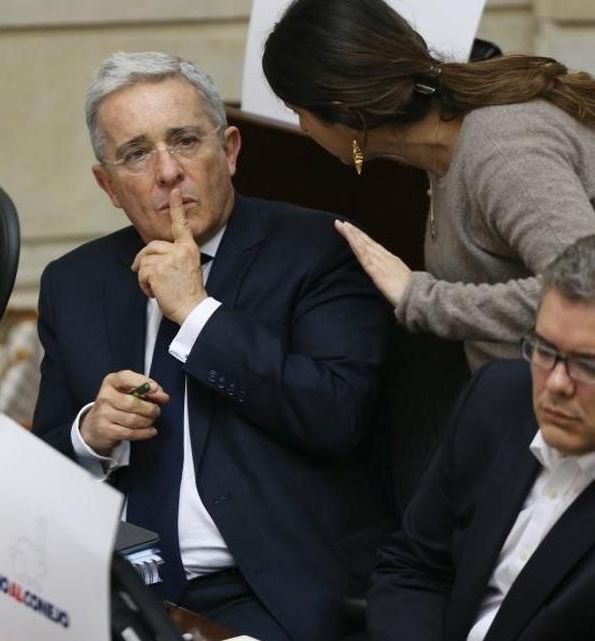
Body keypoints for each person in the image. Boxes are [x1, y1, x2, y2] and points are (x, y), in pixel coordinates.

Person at [32, 51, 392, 641]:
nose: (168, 172)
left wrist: (196, 313)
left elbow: (335, 413)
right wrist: (90, 434)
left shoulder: (316, 251)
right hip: (112, 584)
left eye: (185, 142)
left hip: (263, 590)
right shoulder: (76, 283)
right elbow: (46, 456)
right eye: (137, 154)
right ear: (108, 185)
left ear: (229, 150)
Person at [261, 0, 595, 415]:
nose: (302, 128)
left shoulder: (501, 149)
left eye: (298, 111)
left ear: (344, 111)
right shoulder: (444, 149)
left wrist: (419, 298)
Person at [366, 234, 595, 641]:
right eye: (544, 350)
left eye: (590, 365)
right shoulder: (496, 399)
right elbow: (416, 567)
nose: (556, 384)